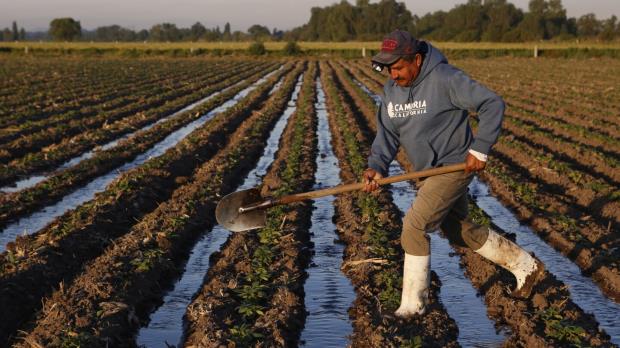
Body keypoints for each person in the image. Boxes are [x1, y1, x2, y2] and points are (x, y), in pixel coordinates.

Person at [363, 30, 545, 317]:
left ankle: (413, 307)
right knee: (458, 231)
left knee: (414, 226)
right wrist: (376, 167)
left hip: (453, 166)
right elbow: (386, 135)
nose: (393, 74)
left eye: (398, 68)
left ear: (417, 59)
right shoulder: (391, 92)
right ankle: (525, 265)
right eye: (389, 69)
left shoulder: (445, 78)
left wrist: (480, 148)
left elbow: (492, 103)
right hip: (427, 172)